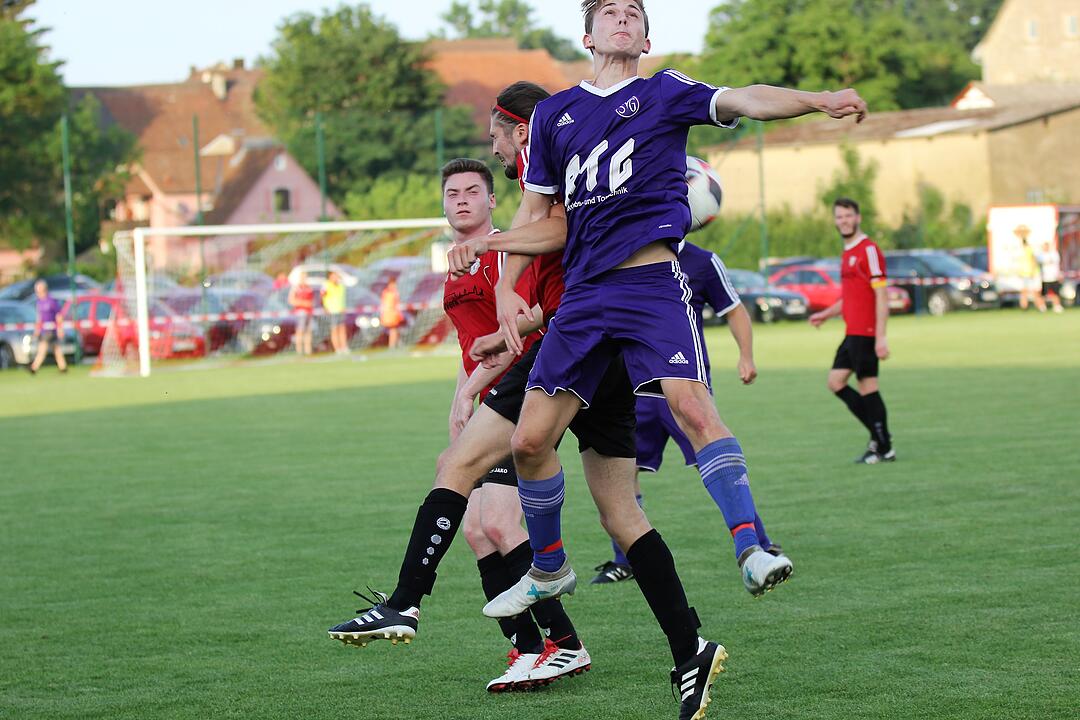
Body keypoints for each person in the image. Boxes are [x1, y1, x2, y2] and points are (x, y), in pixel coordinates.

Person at [451, 2, 862, 648]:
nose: (622, 18)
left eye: (633, 12)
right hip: (583, 297)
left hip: (649, 284)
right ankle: (551, 566)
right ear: (587, 36)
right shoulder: (556, 115)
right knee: (529, 443)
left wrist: (819, 98)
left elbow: (748, 99)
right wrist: (501, 267)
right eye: (608, 11)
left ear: (647, 35)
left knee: (693, 407)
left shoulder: (666, 92)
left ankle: (752, 546)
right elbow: (537, 214)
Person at [329, 159, 594, 692]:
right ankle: (531, 647)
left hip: (527, 387)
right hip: (490, 395)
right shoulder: (456, 266)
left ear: (495, 201)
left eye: (474, 191)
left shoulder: (506, 253)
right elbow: (469, 345)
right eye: (453, 193)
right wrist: (459, 397)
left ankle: (559, 644)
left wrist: (479, 390)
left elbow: (523, 326)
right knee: (476, 529)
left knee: (498, 522)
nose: (463, 200)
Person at [589, 240, 787, 585]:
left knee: (714, 461)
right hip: (634, 387)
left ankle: (760, 547)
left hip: (683, 386)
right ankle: (624, 561)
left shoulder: (703, 261)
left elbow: (735, 310)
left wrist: (746, 356)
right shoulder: (622, 252)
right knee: (623, 469)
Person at [809, 198, 895, 464]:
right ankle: (879, 439)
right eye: (839, 217)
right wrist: (826, 313)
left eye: (848, 216)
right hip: (852, 332)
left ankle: (883, 446)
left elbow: (881, 297)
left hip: (866, 332)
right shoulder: (848, 252)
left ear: (857, 218)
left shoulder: (869, 250)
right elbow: (851, 297)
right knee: (835, 382)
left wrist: (880, 336)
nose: (843, 221)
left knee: (868, 387)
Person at [29, 280, 67, 374]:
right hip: (44, 330)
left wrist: (60, 329)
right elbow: (39, 318)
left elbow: (59, 316)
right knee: (56, 349)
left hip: (51, 330)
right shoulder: (39, 302)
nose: (37, 293)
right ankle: (63, 367)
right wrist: (37, 330)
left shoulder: (51, 301)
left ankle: (34, 367)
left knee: (42, 348)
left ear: (43, 290)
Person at [1017, 232, 1046, 312]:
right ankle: (1024, 306)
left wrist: (1033, 271)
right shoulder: (1023, 250)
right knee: (1025, 291)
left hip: (1031, 274)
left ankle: (1040, 306)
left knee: (1035, 291)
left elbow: (1033, 261)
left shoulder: (1028, 249)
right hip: (1025, 274)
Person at [288, 271, 314, 356]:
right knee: (300, 331)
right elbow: (291, 300)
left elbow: (312, 300)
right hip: (300, 313)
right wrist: (303, 303)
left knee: (308, 331)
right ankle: (299, 351)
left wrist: (310, 304)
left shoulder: (309, 287)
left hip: (309, 312)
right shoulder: (296, 288)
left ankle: (308, 350)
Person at [323, 271, 348, 354]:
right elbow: (323, 297)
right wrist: (326, 308)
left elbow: (342, 298)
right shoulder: (326, 285)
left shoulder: (341, 286)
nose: (336, 278)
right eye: (334, 276)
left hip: (340, 310)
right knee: (334, 330)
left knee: (342, 329)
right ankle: (337, 349)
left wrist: (343, 307)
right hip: (332, 311)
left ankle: (344, 347)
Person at [1037, 241, 1065, 314]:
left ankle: (1057, 306)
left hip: (1053, 277)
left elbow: (1056, 264)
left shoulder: (1054, 254)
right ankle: (1042, 307)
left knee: (1055, 293)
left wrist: (1059, 274)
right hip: (1044, 278)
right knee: (1043, 294)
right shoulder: (1040, 255)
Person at [380, 277, 404, 348]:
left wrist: (399, 313)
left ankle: (394, 344)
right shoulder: (385, 292)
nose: (393, 286)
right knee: (392, 330)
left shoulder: (395, 293)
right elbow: (383, 303)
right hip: (388, 314)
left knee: (394, 329)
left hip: (394, 314)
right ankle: (394, 344)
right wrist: (383, 313)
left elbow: (397, 303)